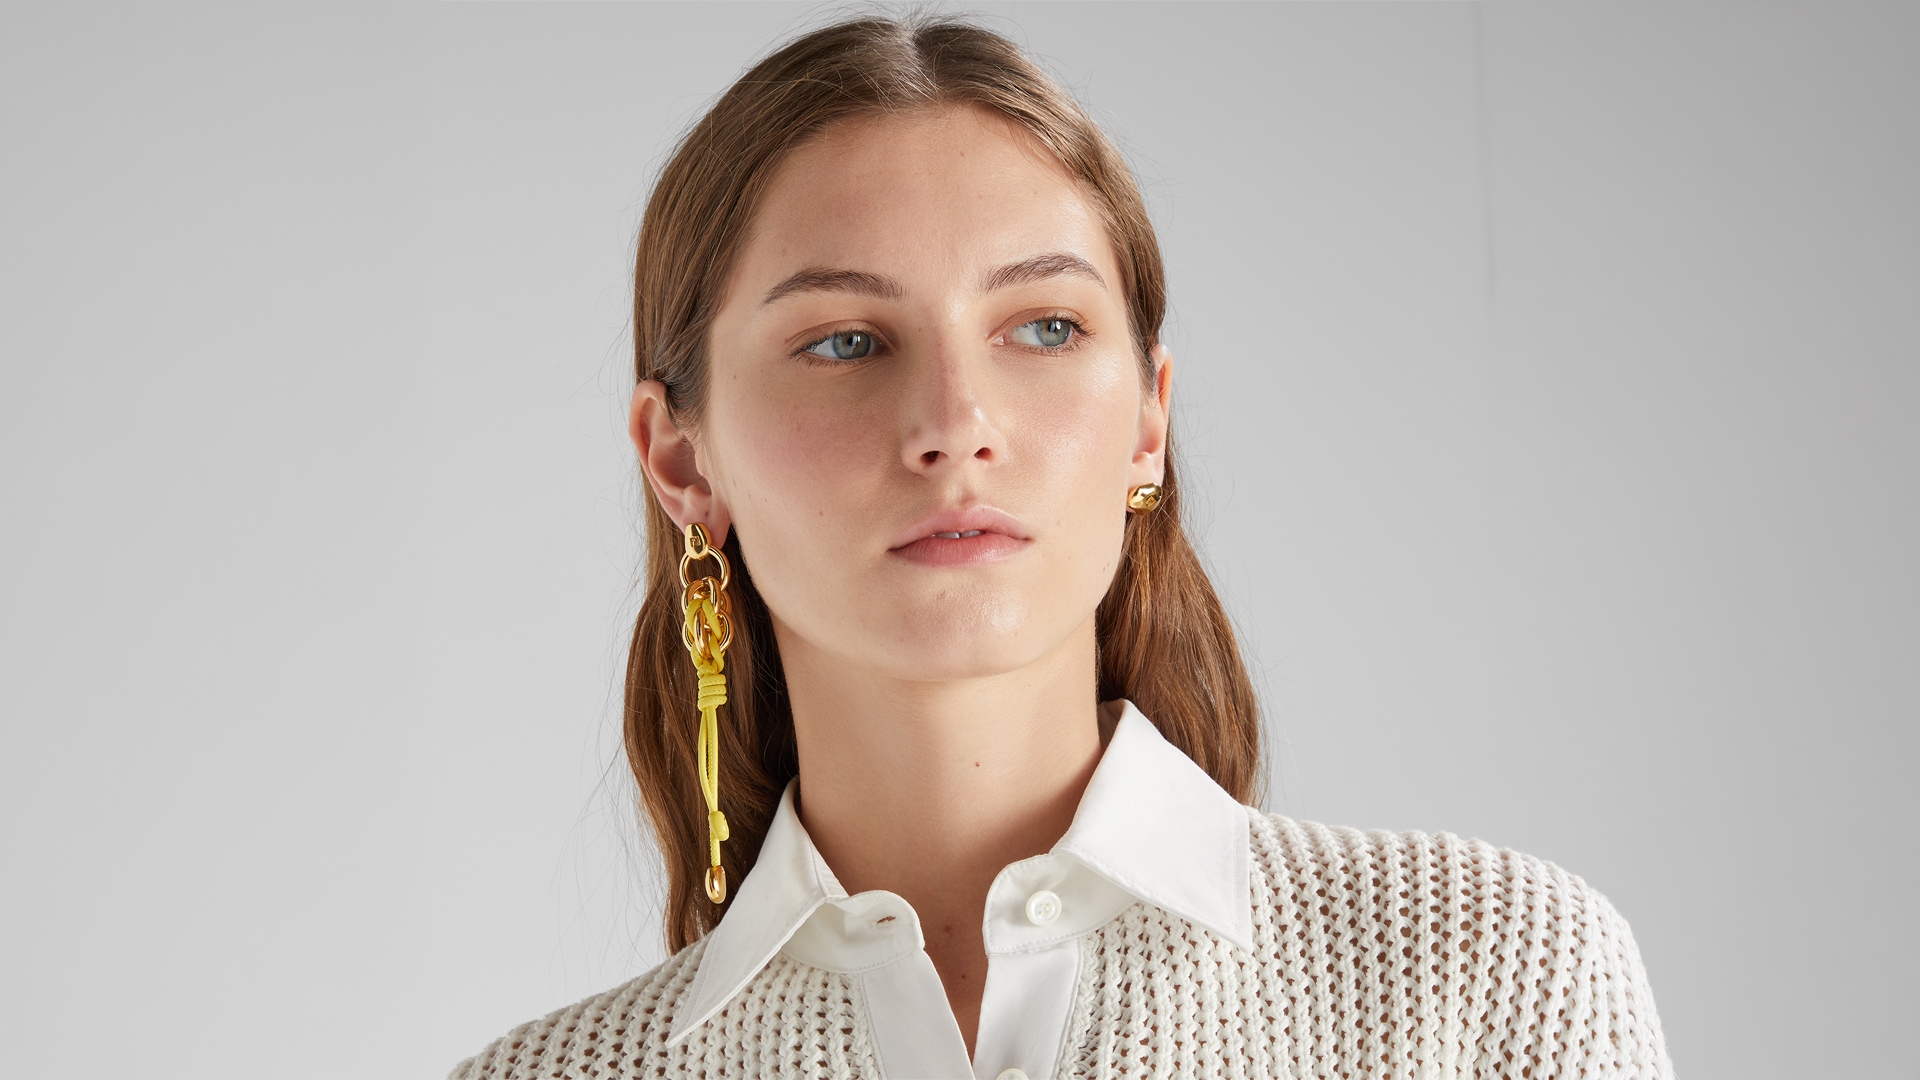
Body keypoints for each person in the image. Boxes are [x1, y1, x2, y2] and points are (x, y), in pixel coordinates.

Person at [452, 15, 1671, 1080]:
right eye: (844, 342)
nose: (955, 425)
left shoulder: (1491, 977)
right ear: (680, 459)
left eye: (1044, 327)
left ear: (1149, 419)